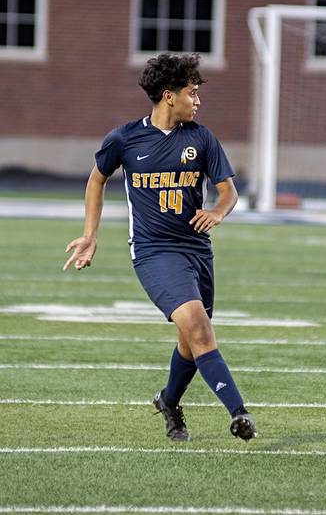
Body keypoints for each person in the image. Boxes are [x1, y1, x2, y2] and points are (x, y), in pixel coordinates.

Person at [63, 53, 257, 443]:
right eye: (192, 93)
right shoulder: (124, 139)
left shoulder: (202, 138)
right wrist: (90, 235)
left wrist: (218, 212)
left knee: (190, 340)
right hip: (153, 252)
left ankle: (169, 400)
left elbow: (228, 191)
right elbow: (96, 179)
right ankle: (239, 413)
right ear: (169, 97)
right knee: (199, 328)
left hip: (198, 252)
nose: (198, 100)